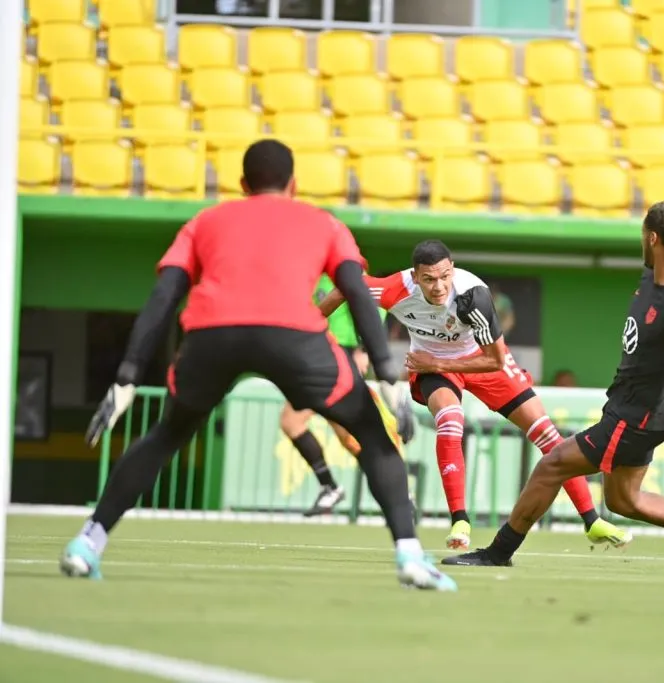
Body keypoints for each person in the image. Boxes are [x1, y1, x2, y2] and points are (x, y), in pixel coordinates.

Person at [61, 139, 456, 591]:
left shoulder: (204, 222)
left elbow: (164, 297)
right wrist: (386, 375)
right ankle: (409, 555)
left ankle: (88, 543)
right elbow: (355, 290)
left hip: (211, 335)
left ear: (243, 184)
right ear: (294, 184)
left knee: (166, 435)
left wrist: (127, 377)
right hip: (294, 334)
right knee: (370, 431)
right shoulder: (324, 223)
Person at [441, 201, 664, 575]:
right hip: (639, 410)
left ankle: (499, 551)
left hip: (635, 419)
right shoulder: (657, 281)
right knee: (624, 500)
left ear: (652, 237)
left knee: (552, 465)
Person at [319, 240, 632, 551]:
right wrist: (309, 325)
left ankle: (591, 521)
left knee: (546, 434)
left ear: (452, 270)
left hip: (480, 361)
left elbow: (494, 360)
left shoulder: (473, 296)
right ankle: (460, 519)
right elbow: (346, 287)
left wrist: (437, 361)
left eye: (444, 276)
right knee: (451, 420)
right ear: (415, 278)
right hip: (435, 367)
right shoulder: (395, 289)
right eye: (429, 279)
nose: (439, 286)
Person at [280, 275, 409, 517]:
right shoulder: (313, 277)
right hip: (319, 361)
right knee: (328, 431)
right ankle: (334, 487)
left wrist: (362, 349)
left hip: (343, 359)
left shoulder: (345, 272)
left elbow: (369, 308)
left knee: (352, 436)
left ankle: (395, 491)